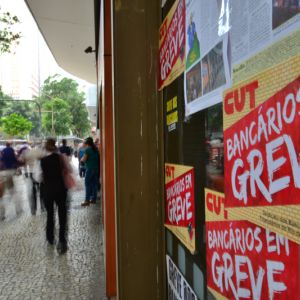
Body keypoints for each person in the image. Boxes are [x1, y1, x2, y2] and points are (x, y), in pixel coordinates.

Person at [41, 138, 68, 254]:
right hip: (61, 189)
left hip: (48, 190)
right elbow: (69, 169)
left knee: (50, 214)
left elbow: (39, 177)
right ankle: (62, 239)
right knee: (62, 214)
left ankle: (50, 238)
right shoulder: (61, 157)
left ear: (46, 146)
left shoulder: (43, 160)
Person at [81, 137, 99, 206]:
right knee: (94, 184)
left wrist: (81, 160)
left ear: (87, 144)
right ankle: (93, 199)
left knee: (87, 184)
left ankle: (87, 201)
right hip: (96, 169)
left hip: (90, 169)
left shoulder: (88, 150)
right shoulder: (96, 149)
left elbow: (84, 160)